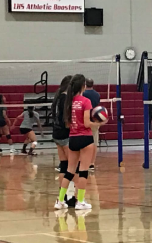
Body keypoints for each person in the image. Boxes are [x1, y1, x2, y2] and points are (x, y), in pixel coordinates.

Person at [55, 74, 107, 210]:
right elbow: (86, 123)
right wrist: (100, 123)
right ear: (83, 86)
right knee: (83, 171)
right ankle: (81, 202)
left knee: (69, 171)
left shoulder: (69, 101)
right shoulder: (85, 101)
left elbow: (68, 123)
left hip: (72, 138)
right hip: (85, 138)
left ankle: (60, 201)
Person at [52, 75, 72, 185]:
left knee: (63, 166)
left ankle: (62, 196)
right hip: (65, 135)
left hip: (57, 133)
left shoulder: (57, 97)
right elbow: (67, 121)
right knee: (73, 167)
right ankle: (72, 195)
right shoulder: (65, 99)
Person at [82, 78, 101, 171]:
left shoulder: (83, 94)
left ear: (85, 84)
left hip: (84, 121)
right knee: (94, 143)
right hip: (94, 120)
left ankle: (83, 162)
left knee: (83, 143)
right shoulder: (97, 94)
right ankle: (92, 163)